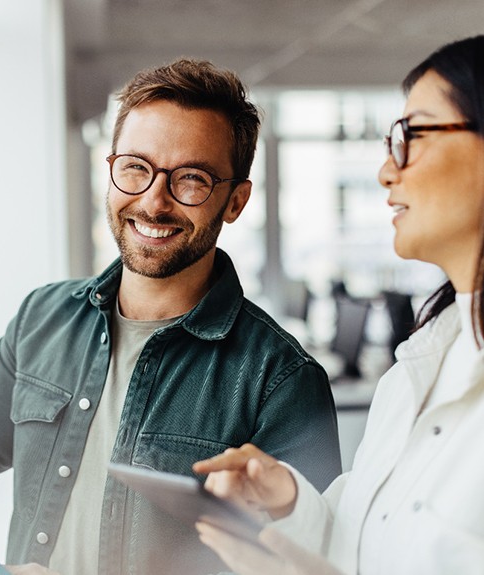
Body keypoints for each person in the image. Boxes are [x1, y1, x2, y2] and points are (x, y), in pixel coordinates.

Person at [0, 58, 342, 575]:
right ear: (111, 170)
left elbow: (311, 562)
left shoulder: (282, 380)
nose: (154, 202)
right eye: (136, 167)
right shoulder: (40, 318)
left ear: (235, 201)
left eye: (191, 179)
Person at [193, 34, 484, 575]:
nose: (385, 172)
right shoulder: (421, 364)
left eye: (411, 136)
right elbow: (364, 541)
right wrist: (287, 500)